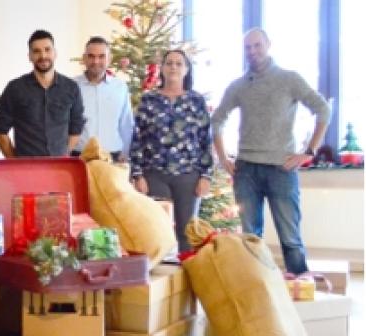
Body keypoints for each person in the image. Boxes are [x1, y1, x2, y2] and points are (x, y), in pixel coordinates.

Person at [211, 28, 331, 275]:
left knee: (290, 236)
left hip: (281, 168)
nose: (252, 52)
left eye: (257, 45)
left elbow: (323, 110)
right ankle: (256, 285)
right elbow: (217, 120)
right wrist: (223, 157)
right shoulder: (239, 86)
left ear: (268, 44)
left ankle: (299, 287)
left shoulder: (289, 79)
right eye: (248, 48)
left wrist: (309, 151)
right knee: (250, 237)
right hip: (246, 170)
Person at [130, 50, 213, 252]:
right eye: (169, 63)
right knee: (158, 231)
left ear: (186, 69)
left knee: (188, 234)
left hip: (189, 176)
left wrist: (206, 175)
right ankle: (163, 281)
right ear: (162, 68)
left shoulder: (196, 101)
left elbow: (205, 139)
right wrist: (137, 174)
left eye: (178, 63)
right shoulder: (149, 100)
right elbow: (137, 139)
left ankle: (188, 278)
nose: (173, 67)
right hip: (154, 175)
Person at [0, 30, 84, 158]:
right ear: (29, 56)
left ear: (55, 53)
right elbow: (0, 131)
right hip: (26, 168)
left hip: (59, 168)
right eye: (36, 51)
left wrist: (63, 155)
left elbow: (76, 128)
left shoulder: (71, 88)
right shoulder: (15, 88)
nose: (43, 55)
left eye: (47, 49)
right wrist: (15, 163)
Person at [74, 36, 133, 161]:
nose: (96, 61)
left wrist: (126, 153)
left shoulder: (120, 87)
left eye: (101, 56)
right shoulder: (71, 86)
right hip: (79, 156)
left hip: (113, 156)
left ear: (109, 59)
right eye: (91, 56)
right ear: (84, 58)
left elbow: (126, 124)